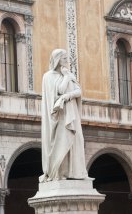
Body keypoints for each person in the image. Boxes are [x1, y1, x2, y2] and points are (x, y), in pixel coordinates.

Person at [39, 49, 88, 182]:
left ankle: (76, 172)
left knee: (77, 140)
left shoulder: (69, 74)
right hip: (61, 115)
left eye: (67, 58)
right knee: (62, 142)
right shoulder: (48, 76)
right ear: (57, 59)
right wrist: (66, 77)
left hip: (72, 113)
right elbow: (59, 90)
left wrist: (68, 95)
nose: (67, 61)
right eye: (64, 58)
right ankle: (61, 173)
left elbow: (78, 91)